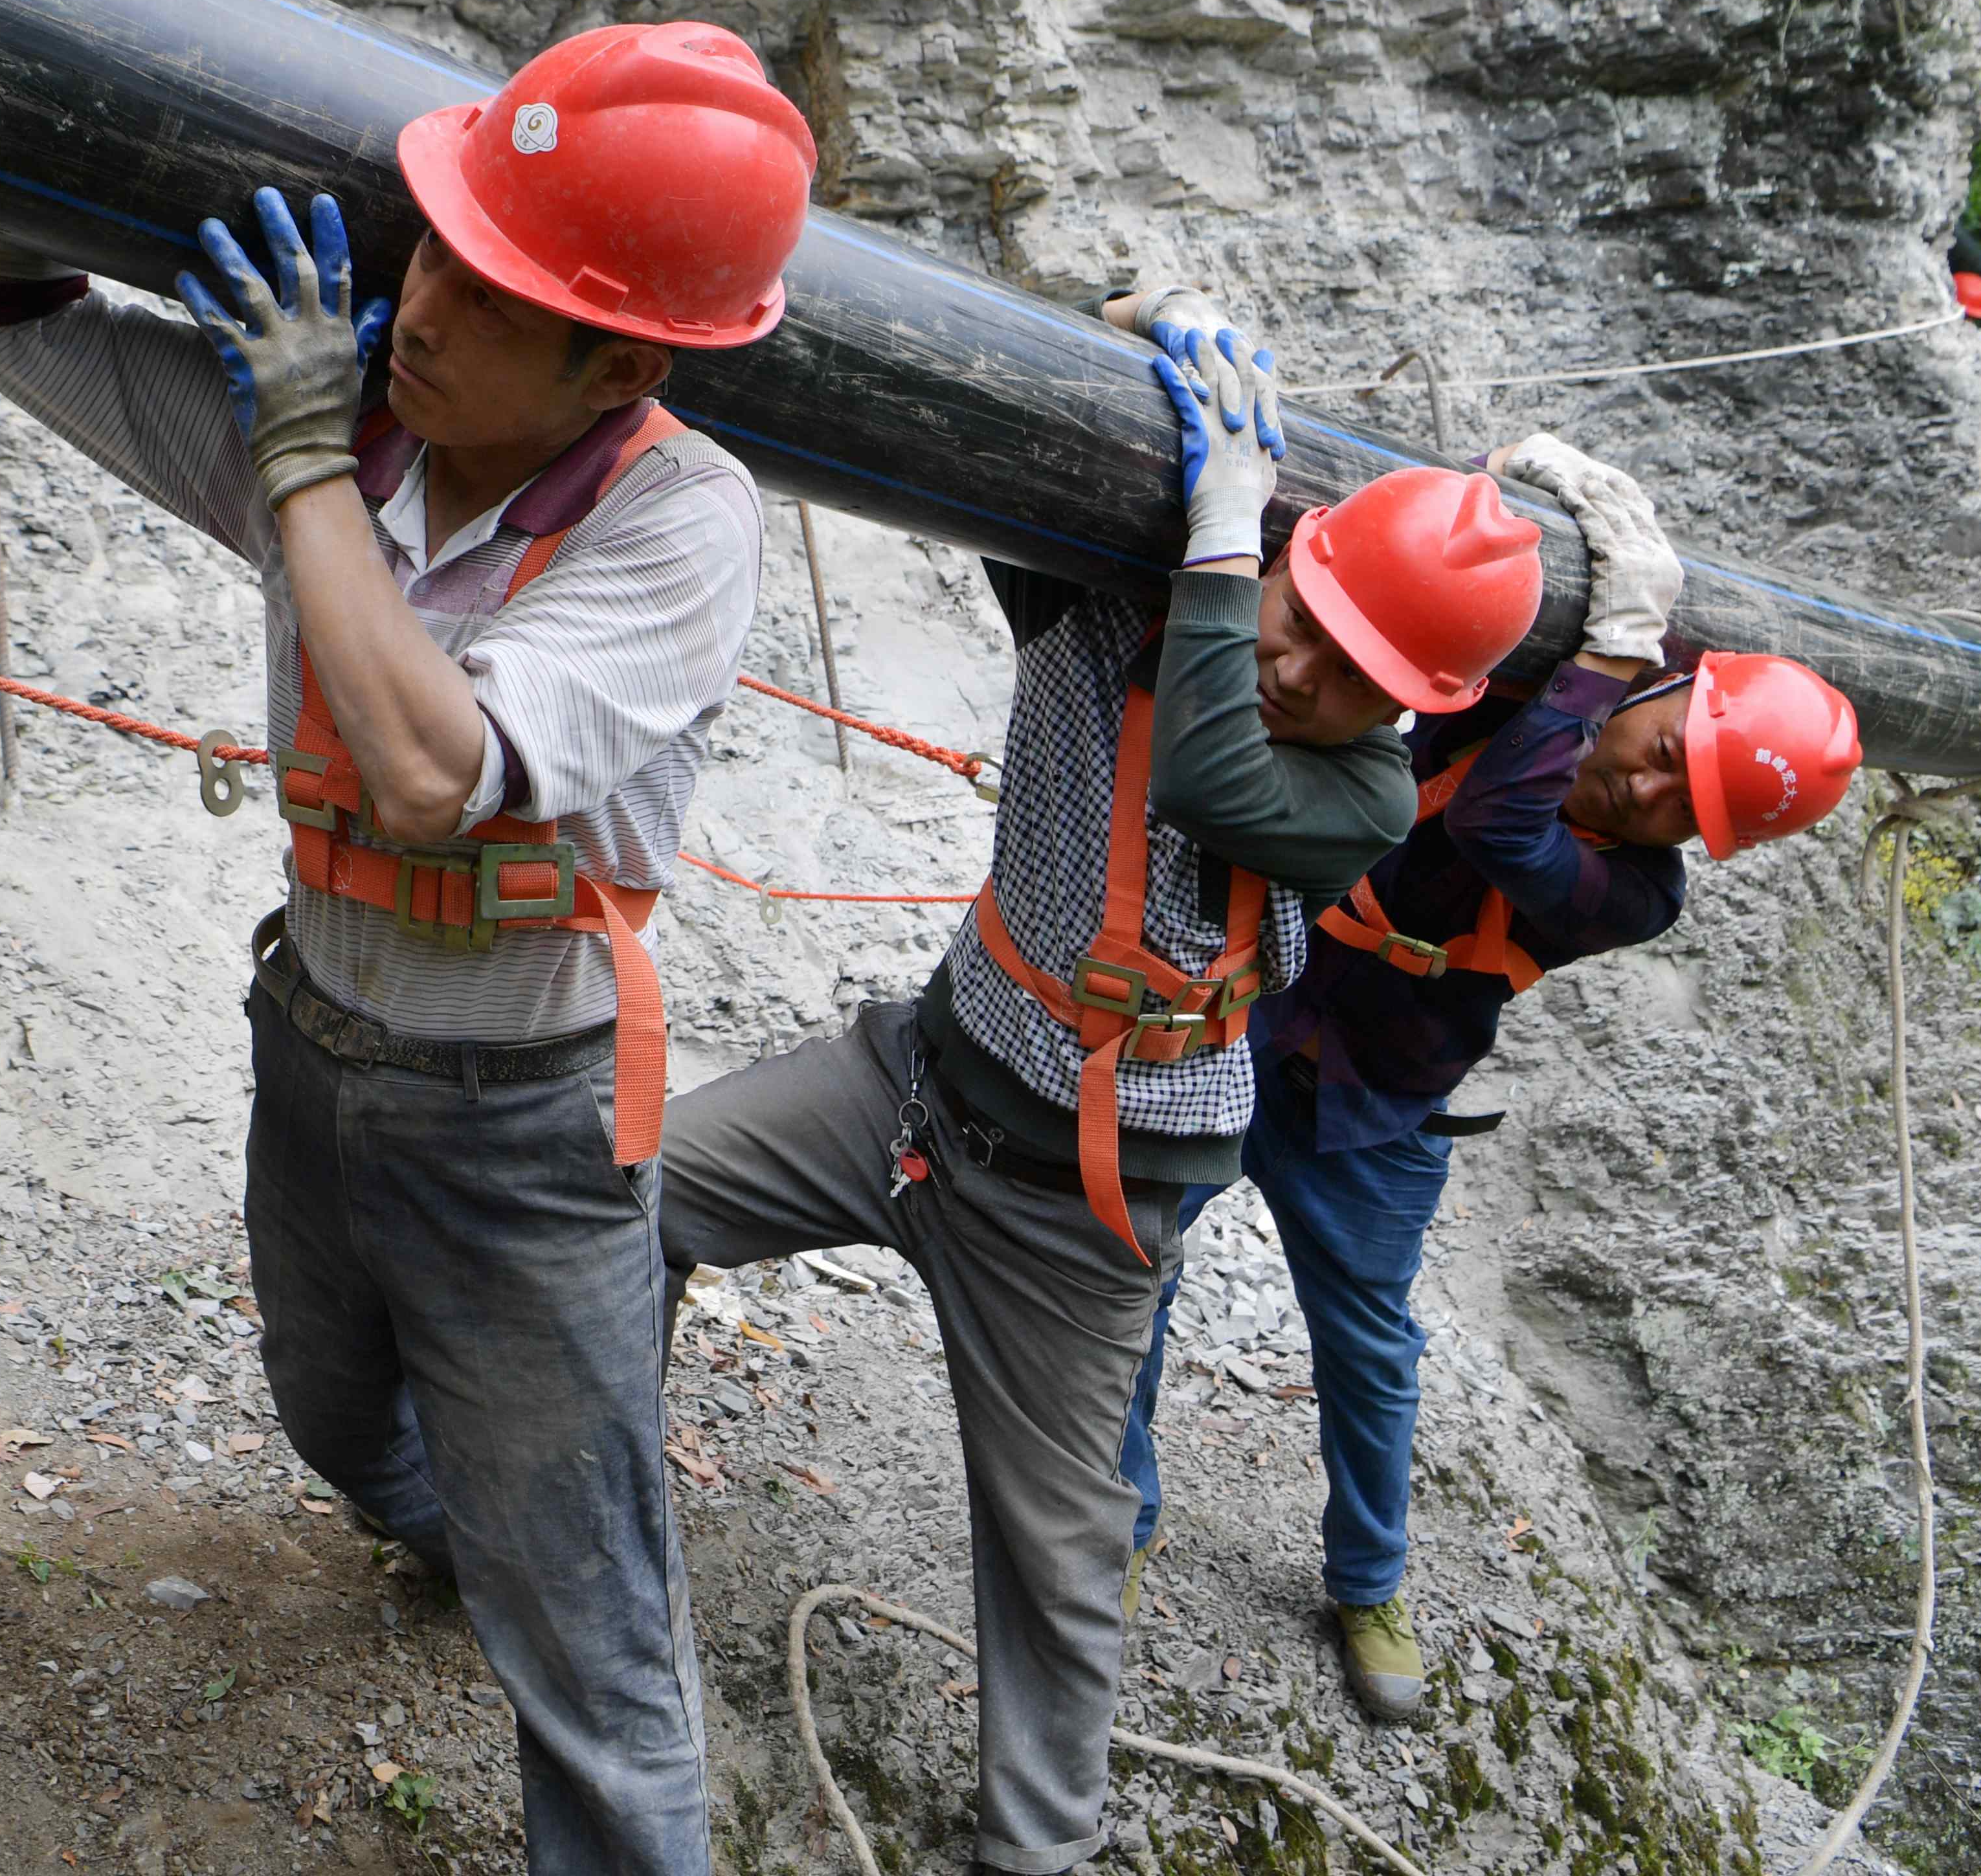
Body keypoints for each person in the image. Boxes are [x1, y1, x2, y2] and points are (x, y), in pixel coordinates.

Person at [0, 0, 815, 1876]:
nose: (422, 301)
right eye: (436, 246)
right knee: (338, 1420)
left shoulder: (678, 519)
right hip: (319, 1040)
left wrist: (310, 453)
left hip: (522, 1119)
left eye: (494, 297)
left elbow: (435, 775)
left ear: (616, 366)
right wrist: (75, 34)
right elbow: (8, 319)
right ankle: (474, 1519)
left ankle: (553, 1565)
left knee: (597, 1673)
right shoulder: (363, 421)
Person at [656, 285, 1550, 1876]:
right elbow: (984, 460)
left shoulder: (1357, 794)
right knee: (630, 1188)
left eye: (1352, 667)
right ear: (1287, 558)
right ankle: (559, 1530)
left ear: (1414, 705)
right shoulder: (1125, 612)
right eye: (1299, 612)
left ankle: (1039, 1853)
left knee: (1057, 1560)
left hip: (1089, 1207)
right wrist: (1112, 328)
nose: (1299, 666)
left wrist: (1220, 541)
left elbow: (1213, 760)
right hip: (919, 1085)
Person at [1114, 433, 1863, 1725]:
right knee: (1138, 1261)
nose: (1639, 788)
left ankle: (1369, 1580)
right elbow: (1414, 603)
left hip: (1377, 1107)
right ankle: (1112, 1520)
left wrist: (1612, 656)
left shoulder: (1633, 891)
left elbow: (1494, 824)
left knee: (1366, 1346)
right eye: (1661, 748)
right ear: (1679, 685)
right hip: (1250, 1018)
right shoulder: (1521, 687)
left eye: (1681, 803)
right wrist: (1523, 485)